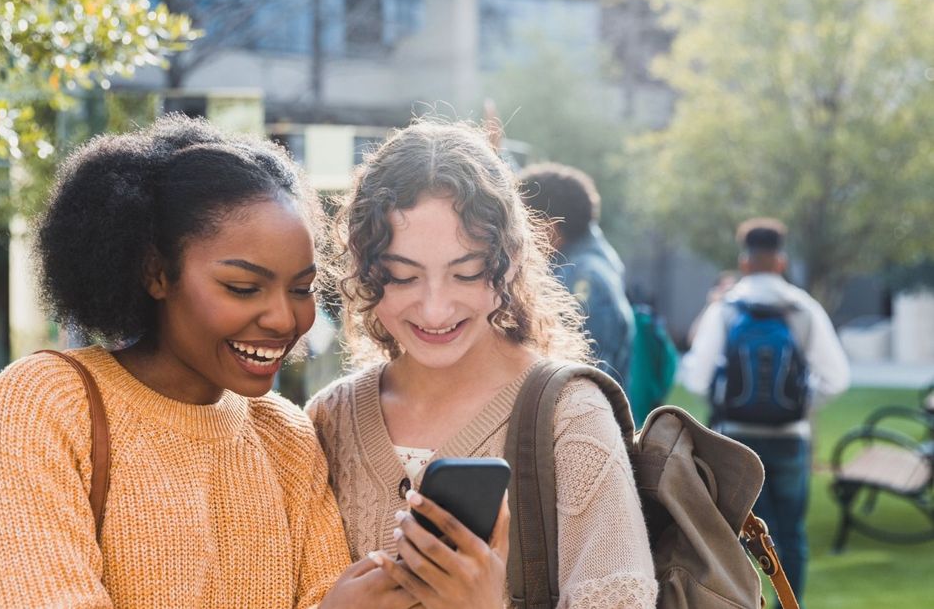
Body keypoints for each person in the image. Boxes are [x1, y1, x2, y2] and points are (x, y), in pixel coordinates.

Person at [0, 115, 421, 608]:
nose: (283, 319)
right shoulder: (49, 401)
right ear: (157, 273)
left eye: (301, 289)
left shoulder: (286, 438)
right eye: (243, 288)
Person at [307, 121, 657, 607]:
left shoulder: (571, 419)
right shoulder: (328, 418)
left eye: (466, 273)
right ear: (363, 270)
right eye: (402, 277)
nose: (434, 309)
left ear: (511, 260)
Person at [681, 218, 850, 602]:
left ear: (744, 262)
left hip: (735, 439)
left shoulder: (725, 309)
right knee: (790, 535)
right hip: (791, 439)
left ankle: (741, 602)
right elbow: (836, 377)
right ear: (781, 261)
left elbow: (695, 377)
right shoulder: (803, 308)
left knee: (735, 534)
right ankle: (790, 603)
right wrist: (800, 407)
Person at [518, 163, 635, 388]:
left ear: (549, 228)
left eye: (522, 222)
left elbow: (583, 383)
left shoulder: (584, 281)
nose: (515, 233)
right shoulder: (587, 265)